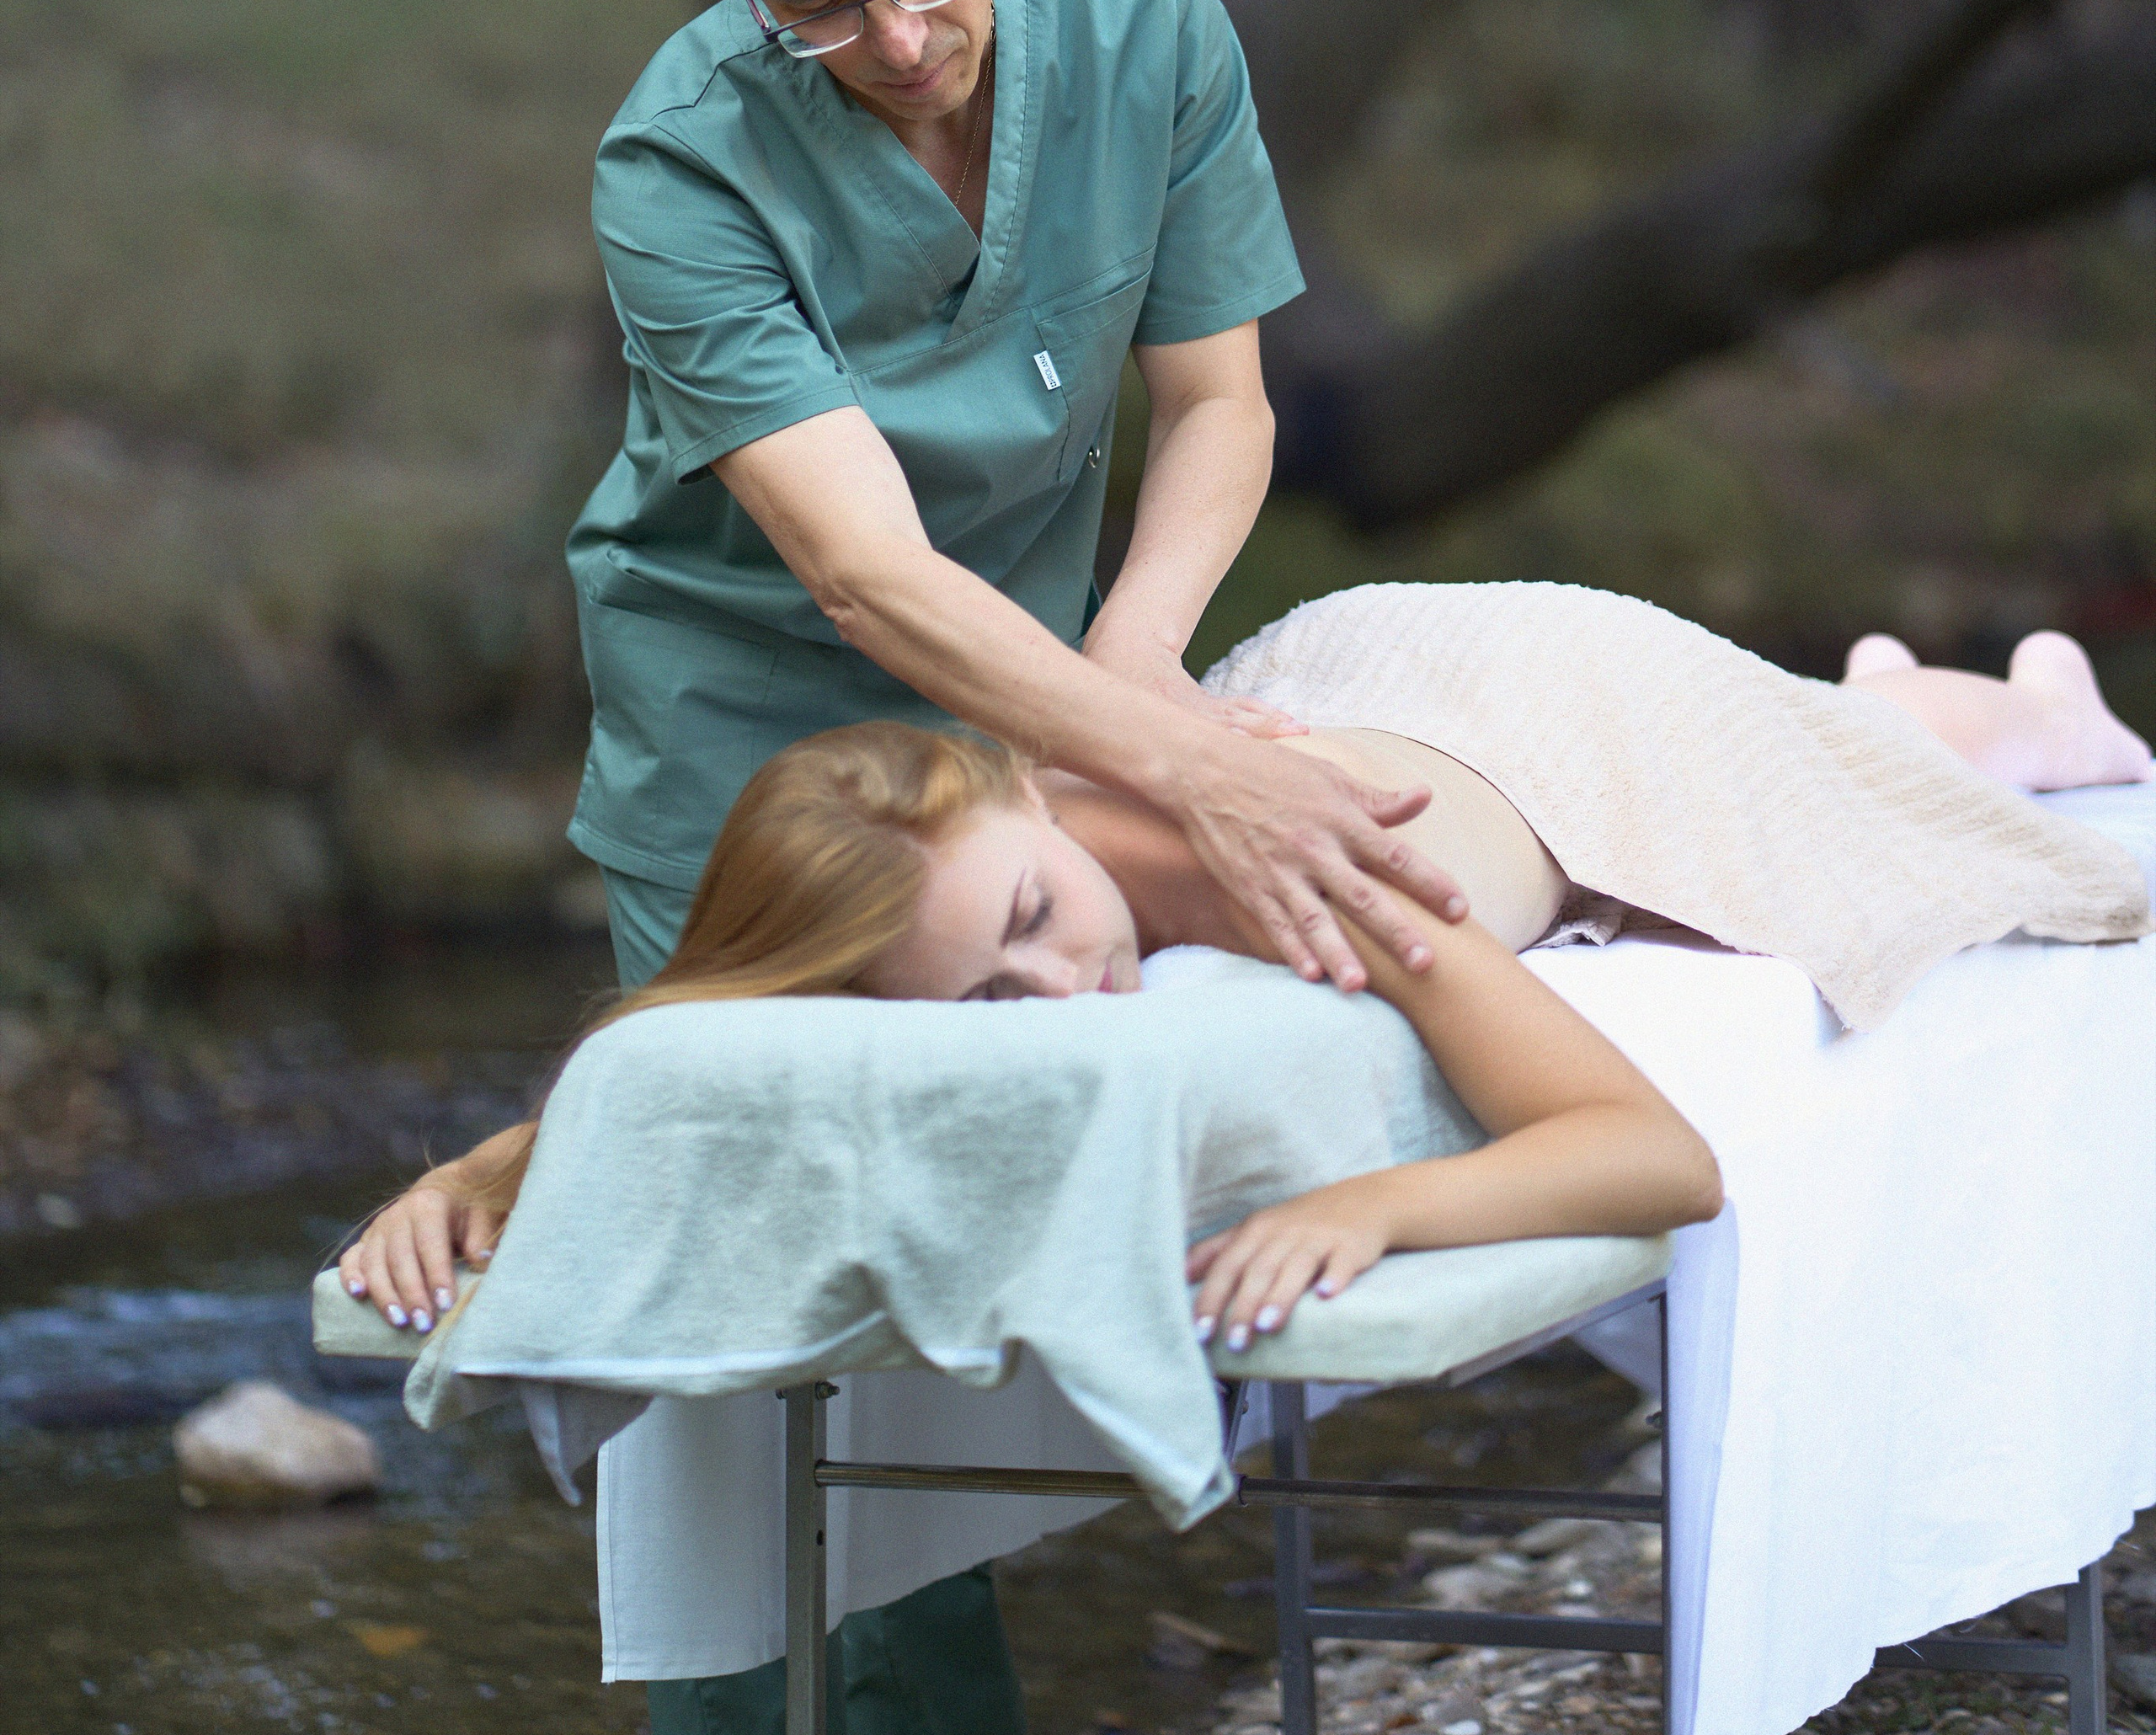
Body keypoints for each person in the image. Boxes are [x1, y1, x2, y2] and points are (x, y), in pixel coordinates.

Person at [537, 0, 1469, 1735]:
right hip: (753, 744)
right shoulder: (679, 163)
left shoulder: (1140, 10)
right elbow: (863, 584)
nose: (888, 39)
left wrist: (1143, 674)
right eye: (815, 6)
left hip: (1031, 699)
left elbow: (1217, 403)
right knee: (758, 1324)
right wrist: (1185, 764)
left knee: (964, 1255)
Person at [342, 606, 2147, 1334]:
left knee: (1869, 755)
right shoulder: (935, 889)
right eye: (987, 999)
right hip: (1368, 663)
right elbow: (736, 1025)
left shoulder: (1309, 870)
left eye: (1041, 918)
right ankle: (1902, 680)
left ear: (1020, 789)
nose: (1069, 996)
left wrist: (1378, 1206)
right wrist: (485, 1172)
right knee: (1852, 726)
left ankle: (2012, 687)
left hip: (1559, 707)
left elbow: (1655, 1159)